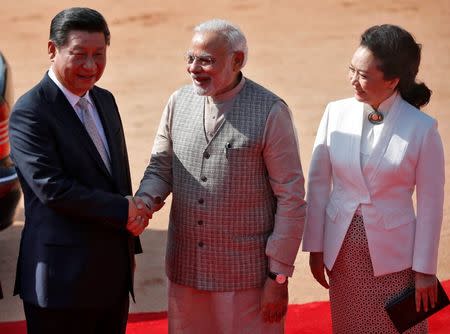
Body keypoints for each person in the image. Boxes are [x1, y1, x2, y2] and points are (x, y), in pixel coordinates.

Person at [136, 19, 306, 333]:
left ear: (237, 60)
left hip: (246, 280)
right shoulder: (178, 102)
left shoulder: (270, 111)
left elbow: (291, 199)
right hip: (187, 271)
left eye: (207, 61)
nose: (194, 68)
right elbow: (161, 167)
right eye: (190, 58)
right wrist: (144, 201)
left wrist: (278, 277)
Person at [9, 7, 151, 334]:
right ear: (51, 50)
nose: (90, 66)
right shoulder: (31, 112)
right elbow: (52, 188)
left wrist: (129, 240)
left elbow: (117, 177)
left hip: (112, 278)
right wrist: (123, 209)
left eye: (99, 55)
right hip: (61, 282)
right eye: (79, 55)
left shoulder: (105, 100)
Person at [302, 24, 445, 333]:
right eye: (351, 70)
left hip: (396, 259)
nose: (354, 81)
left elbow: (431, 206)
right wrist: (315, 246)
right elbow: (317, 185)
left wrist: (424, 271)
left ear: (393, 80)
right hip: (342, 253)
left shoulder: (422, 129)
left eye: (364, 76)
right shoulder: (335, 113)